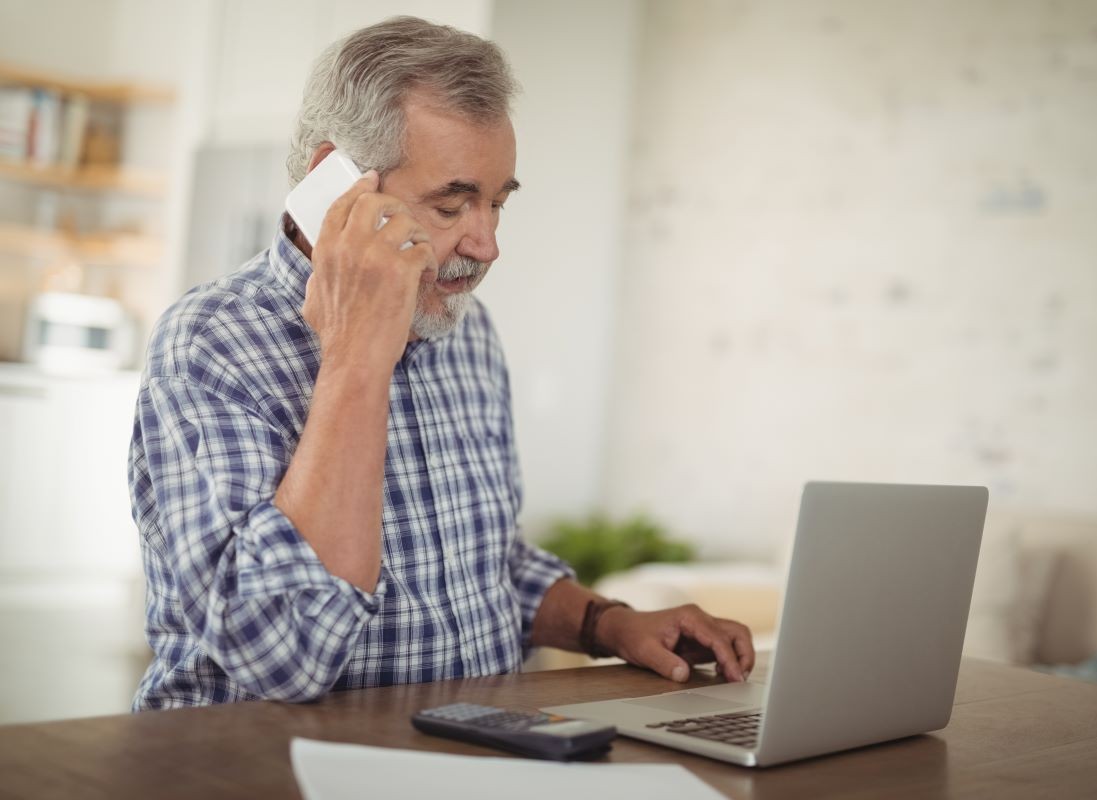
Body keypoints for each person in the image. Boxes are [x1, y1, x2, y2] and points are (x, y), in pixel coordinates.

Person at [129, 15, 753, 710]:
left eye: (495, 202)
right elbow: (284, 658)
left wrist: (610, 623)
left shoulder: (466, 329)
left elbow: (481, 567)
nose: (485, 245)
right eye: (451, 203)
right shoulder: (211, 344)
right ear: (335, 186)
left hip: (467, 754)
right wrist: (357, 355)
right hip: (259, 766)